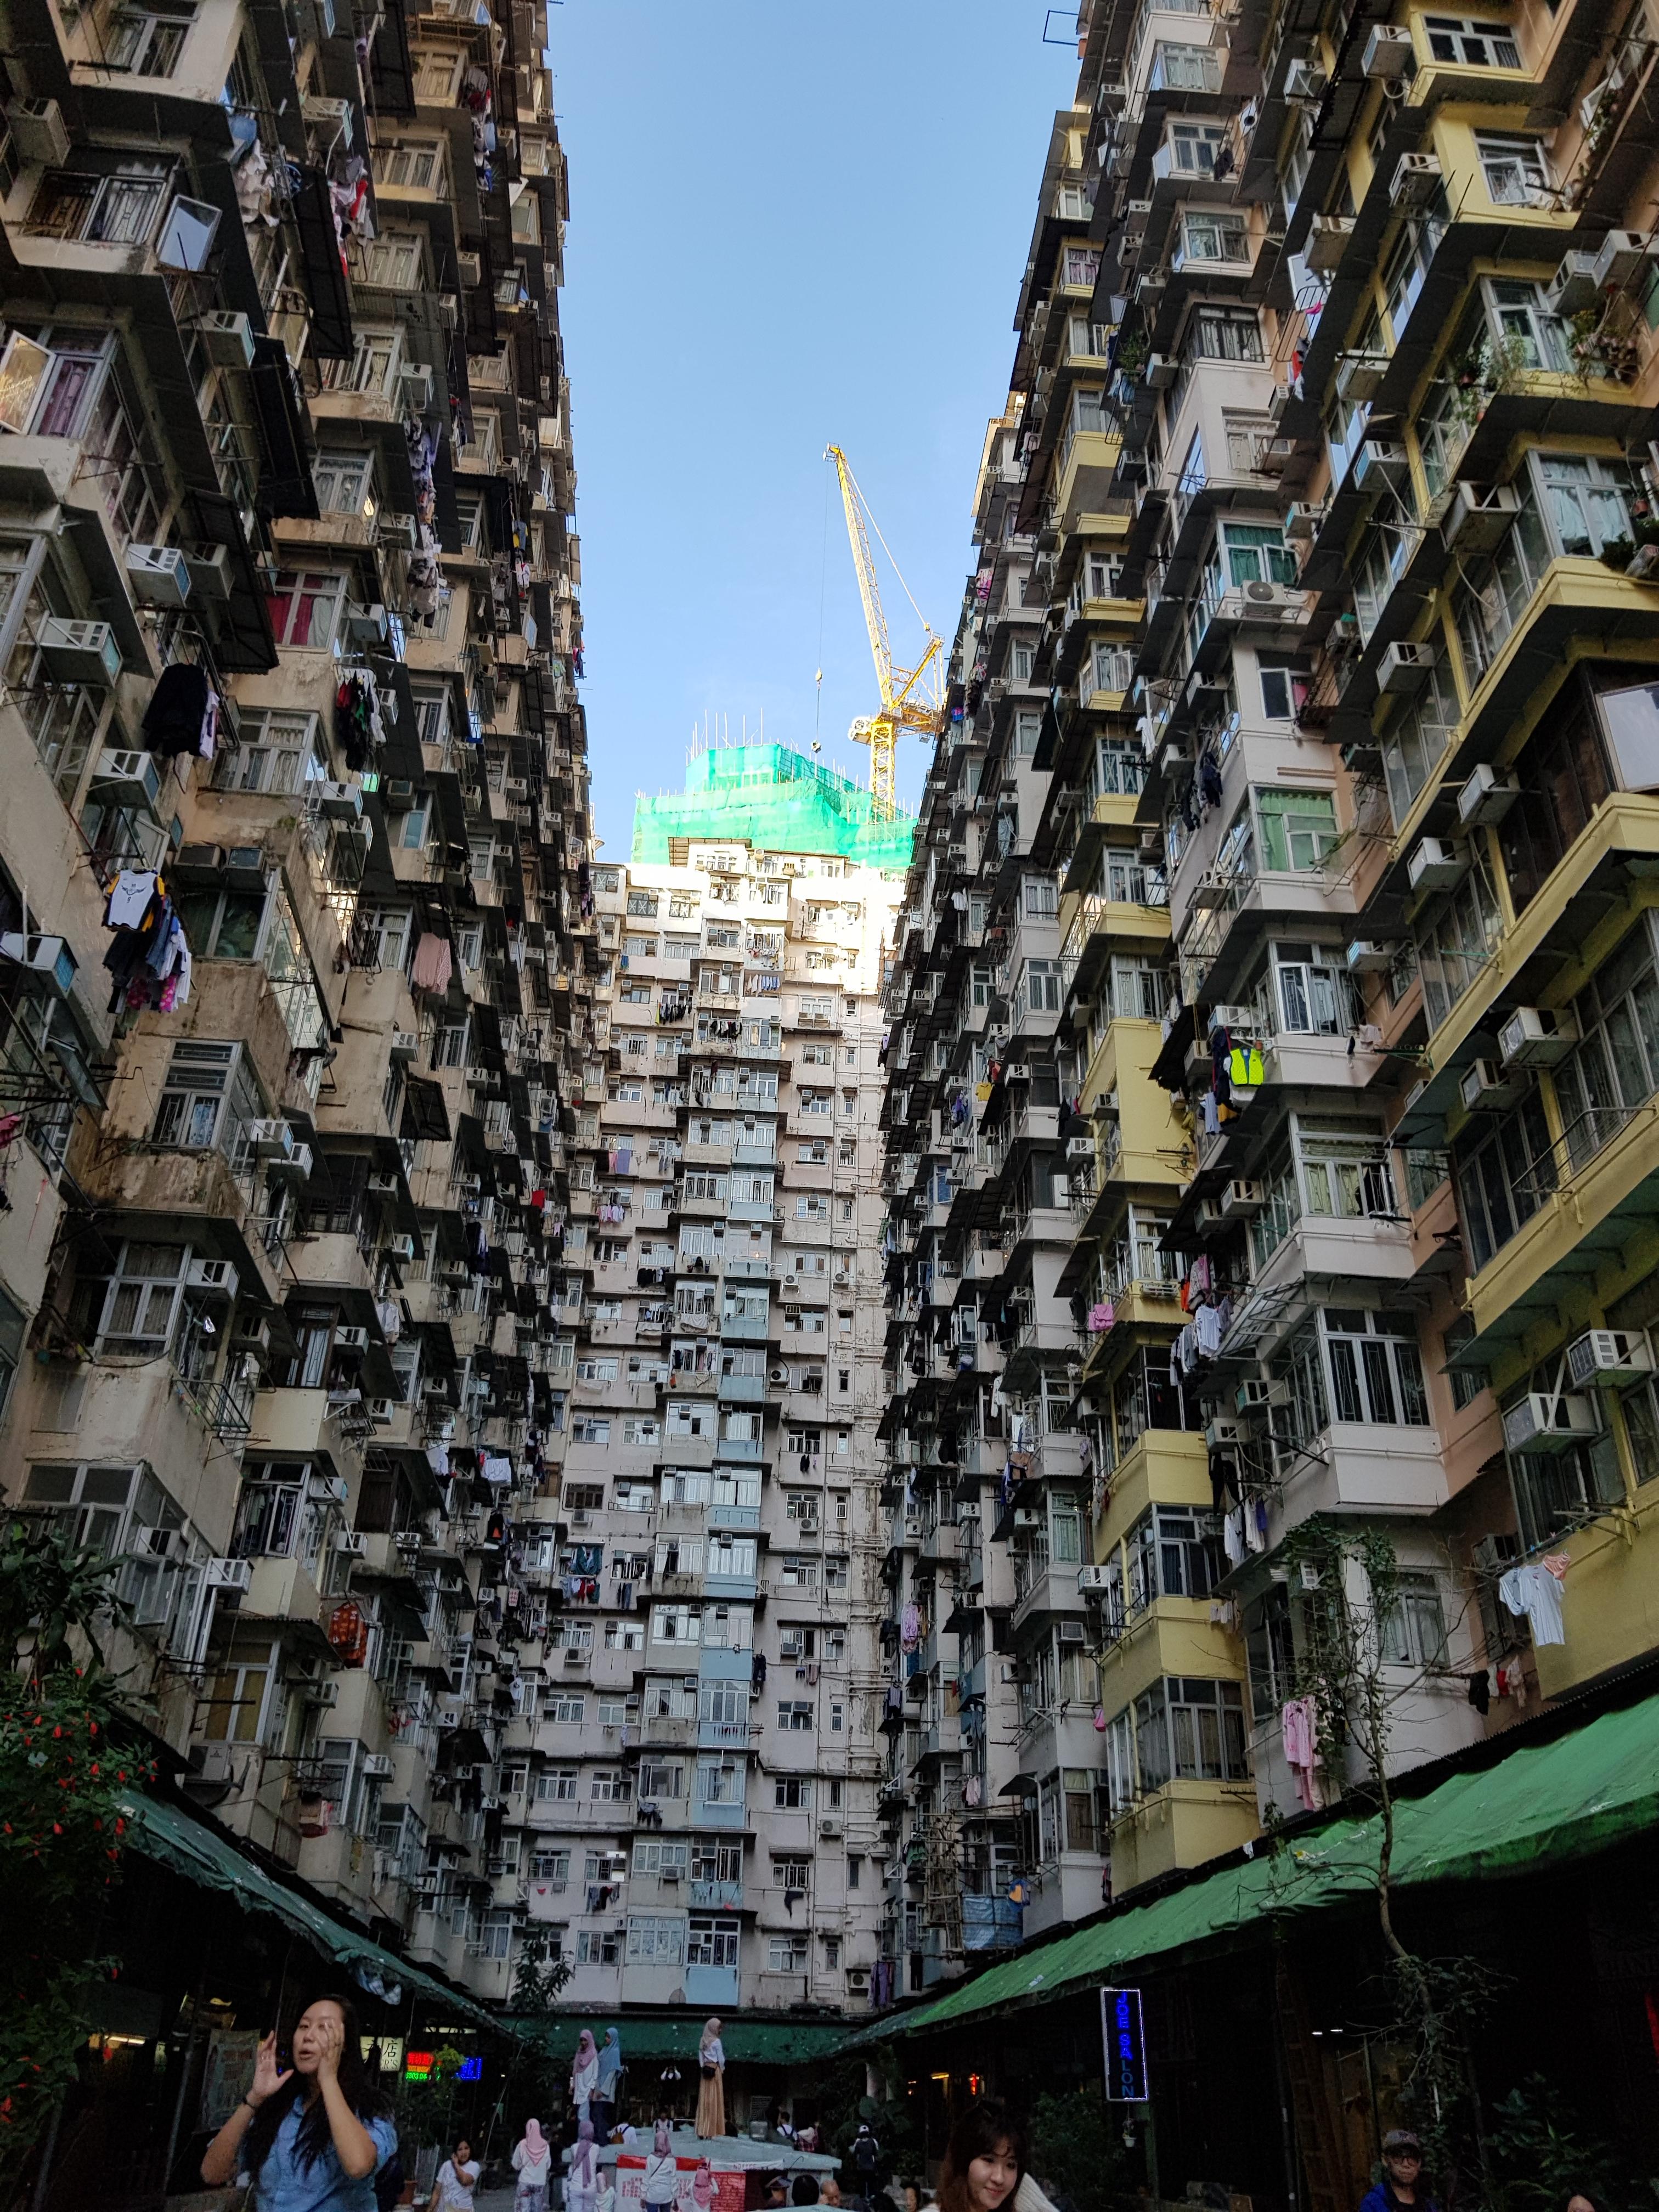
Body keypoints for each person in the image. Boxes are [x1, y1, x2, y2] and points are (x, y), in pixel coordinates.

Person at [199, 1991, 398, 2210]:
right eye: (303, 2026)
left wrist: (328, 2080)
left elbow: (358, 2165)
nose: (308, 2036)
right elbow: (212, 2173)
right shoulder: (278, 2107)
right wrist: (255, 2097)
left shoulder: (370, 2108)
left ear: (345, 2044)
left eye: (324, 2028)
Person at [936, 2101, 1046, 2212]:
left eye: (1010, 2165)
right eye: (989, 2160)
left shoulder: (1019, 2193)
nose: (999, 2178)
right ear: (963, 2160)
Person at [1359, 2131, 1438, 2212]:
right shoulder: (1374, 2203)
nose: (1406, 2164)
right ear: (1386, 2160)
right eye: (1398, 2156)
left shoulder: (1428, 2205)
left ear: (1419, 2163)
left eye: (1412, 2158)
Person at [513, 2119, 553, 2212]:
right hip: (540, 2182)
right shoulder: (546, 2146)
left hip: (525, 2181)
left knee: (523, 2209)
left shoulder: (522, 2144)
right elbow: (548, 2166)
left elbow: (516, 2165)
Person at [695, 2019, 726, 2140]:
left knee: (704, 2100)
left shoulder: (703, 2040)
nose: (720, 2030)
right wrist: (722, 2069)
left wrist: (703, 2067)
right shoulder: (717, 2042)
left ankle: (702, 2129)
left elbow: (701, 2057)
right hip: (715, 2070)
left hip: (705, 2071)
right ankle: (710, 2131)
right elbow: (720, 2058)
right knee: (714, 2100)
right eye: (719, 2028)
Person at [643, 2116, 680, 2212]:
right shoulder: (671, 2160)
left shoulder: (650, 2158)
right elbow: (673, 2180)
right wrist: (675, 2198)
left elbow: (647, 2178)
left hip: (652, 2195)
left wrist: (643, 2196)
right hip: (666, 2196)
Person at [433, 2140, 481, 2212]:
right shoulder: (447, 2165)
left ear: (470, 2150)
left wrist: (456, 2164)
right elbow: (437, 2192)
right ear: (455, 2152)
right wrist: (430, 2210)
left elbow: (464, 2181)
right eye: (460, 2150)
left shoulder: (474, 2166)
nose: (463, 2153)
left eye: (466, 2148)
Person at [595, 2027, 625, 2135]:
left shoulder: (615, 2052)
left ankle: (602, 2138)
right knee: (597, 2115)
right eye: (606, 2037)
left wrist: (603, 2091)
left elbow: (612, 2073)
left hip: (605, 2092)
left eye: (609, 2037)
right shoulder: (604, 2050)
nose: (606, 2039)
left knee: (602, 2115)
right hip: (598, 2087)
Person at [566, 2118, 600, 2212]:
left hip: (576, 2186)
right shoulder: (596, 2148)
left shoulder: (574, 2147)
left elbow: (573, 2165)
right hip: (591, 2187)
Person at [573, 2029, 601, 2124]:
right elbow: (575, 2071)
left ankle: (585, 2132)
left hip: (587, 2089)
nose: (583, 2043)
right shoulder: (579, 2053)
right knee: (580, 2113)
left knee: (583, 2114)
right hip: (579, 2088)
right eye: (582, 2040)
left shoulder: (593, 2054)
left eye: (585, 2040)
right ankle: (583, 2131)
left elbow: (595, 2073)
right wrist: (572, 2085)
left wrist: (592, 2089)